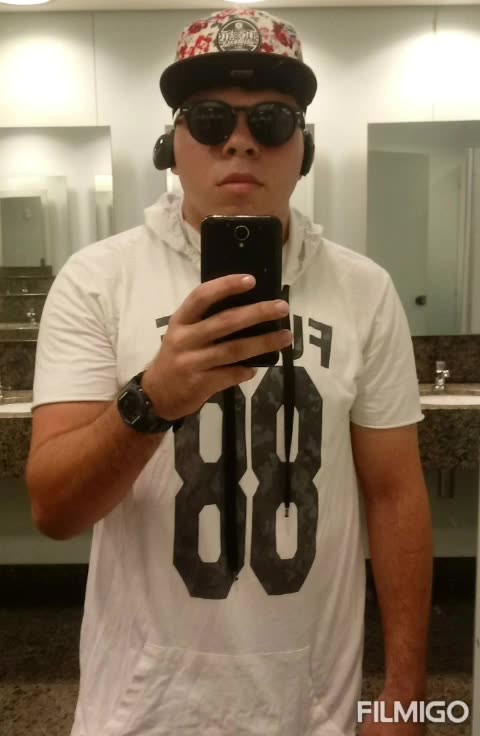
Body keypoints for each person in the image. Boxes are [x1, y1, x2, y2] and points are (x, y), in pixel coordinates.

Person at [26, 8, 433, 736]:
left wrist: (404, 696)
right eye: (210, 118)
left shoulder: (365, 290)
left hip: (314, 710)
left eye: (271, 120)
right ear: (171, 146)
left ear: (303, 150)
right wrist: (152, 399)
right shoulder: (96, 281)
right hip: (140, 714)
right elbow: (54, 510)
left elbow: (396, 496)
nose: (240, 140)